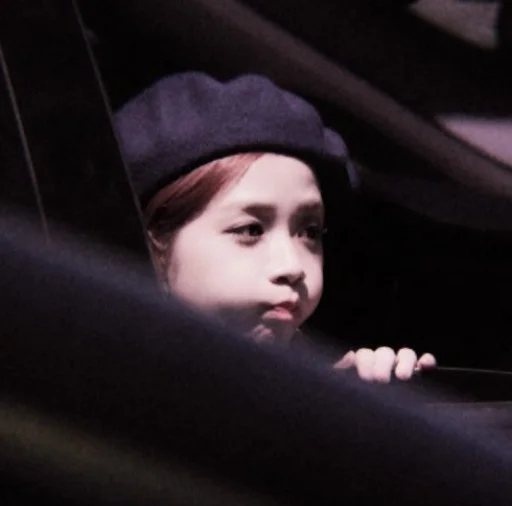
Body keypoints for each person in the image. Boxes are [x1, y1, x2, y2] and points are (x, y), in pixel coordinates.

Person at [114, 72, 435, 382]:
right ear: (153, 244)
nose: (292, 267)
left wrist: (354, 400)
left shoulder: (320, 390)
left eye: (309, 232)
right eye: (250, 230)